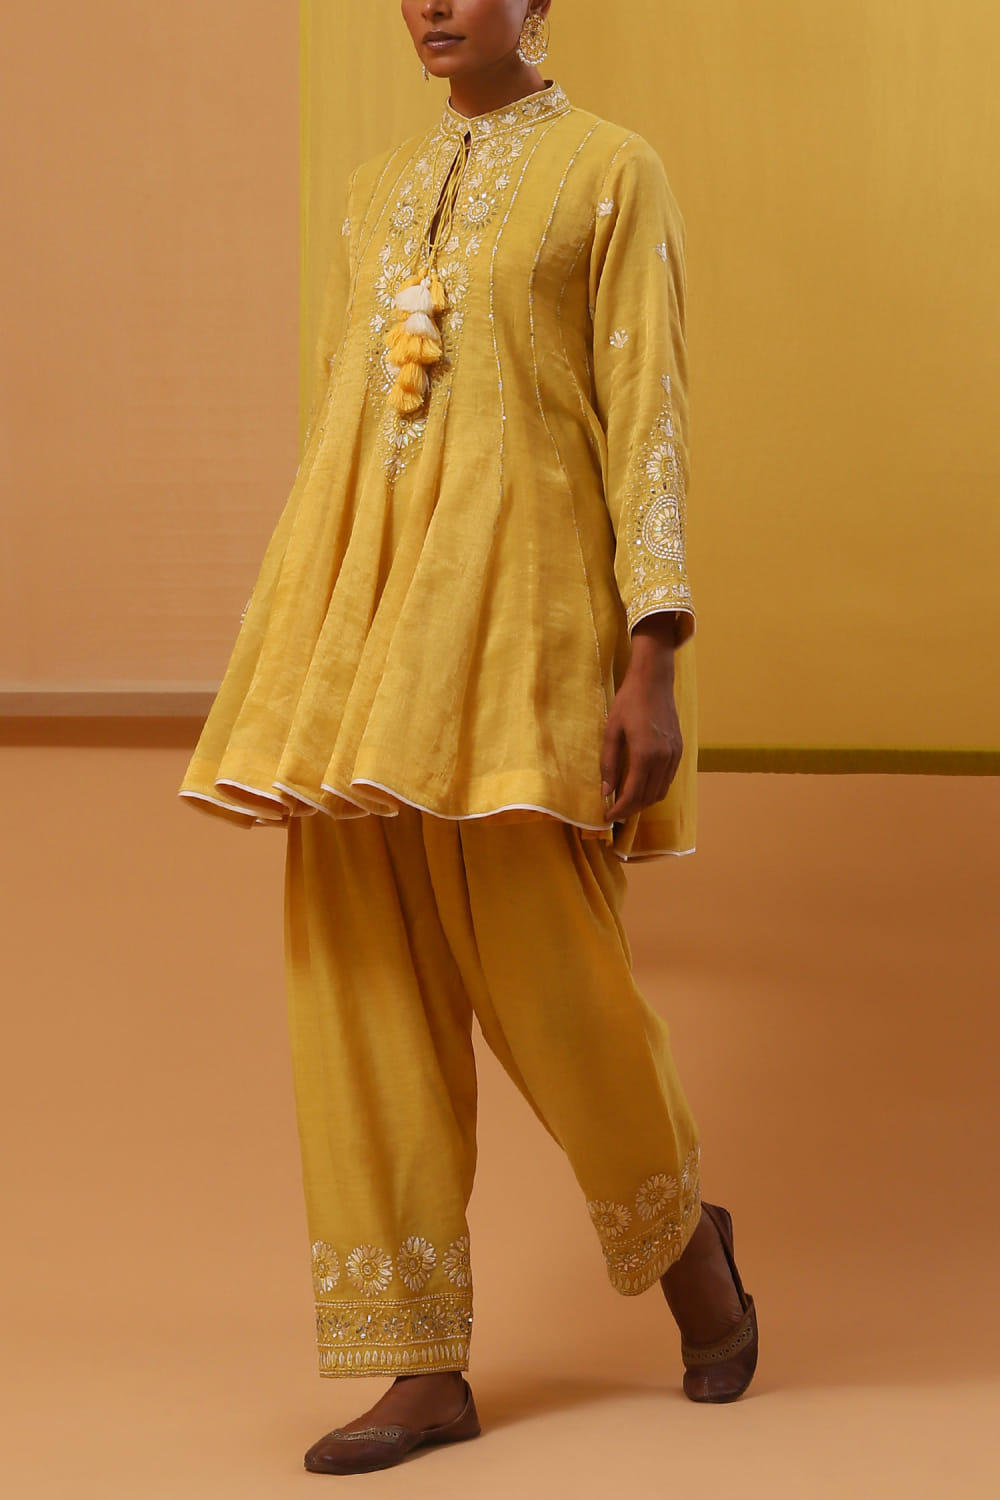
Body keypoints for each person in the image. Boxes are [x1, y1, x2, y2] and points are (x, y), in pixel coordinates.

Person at [179, 0, 758, 1475]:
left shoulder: (611, 170)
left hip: (529, 623)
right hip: (365, 639)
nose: (434, 4)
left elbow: (649, 412)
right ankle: (419, 1366)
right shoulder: (374, 190)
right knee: (356, 978)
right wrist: (307, 634)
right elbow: (345, 417)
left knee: (558, 978)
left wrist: (653, 656)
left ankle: (687, 1247)